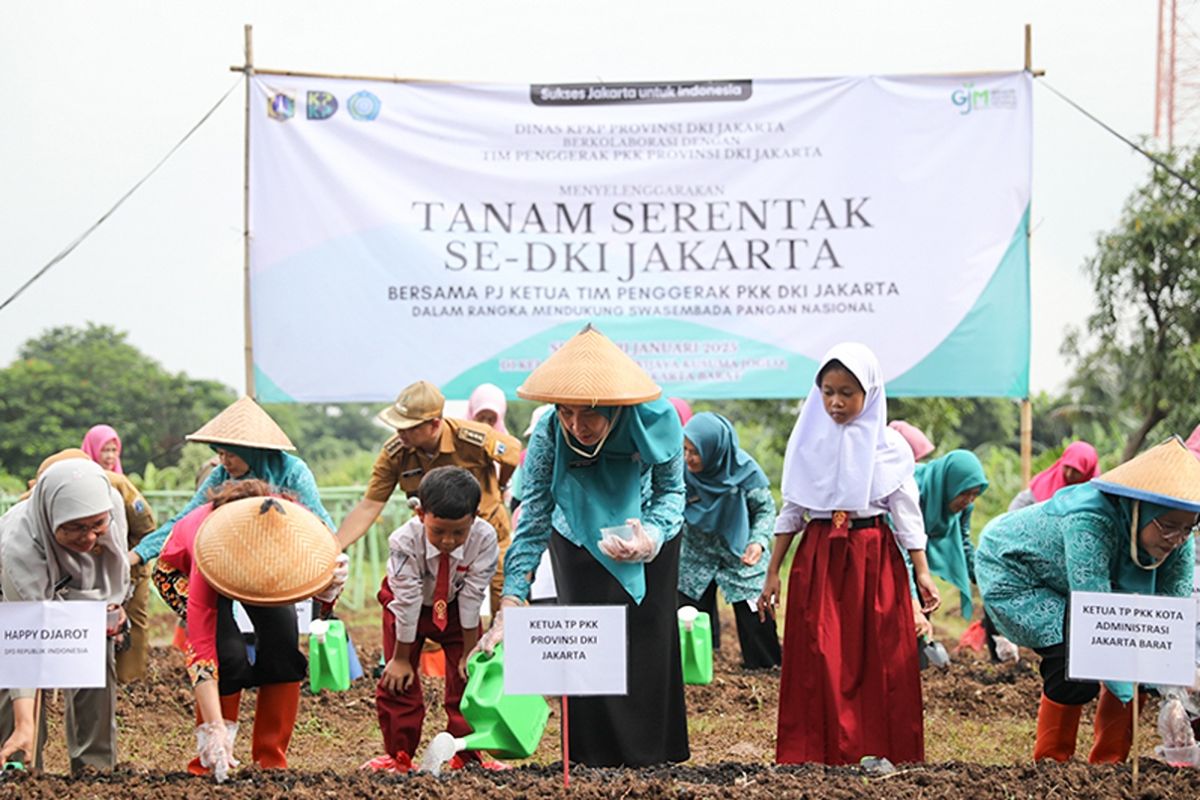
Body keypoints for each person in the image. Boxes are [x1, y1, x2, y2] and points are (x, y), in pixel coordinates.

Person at [479, 324, 690, 767]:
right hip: (576, 540)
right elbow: (533, 513)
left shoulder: (656, 422)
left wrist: (649, 535)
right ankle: (591, 760)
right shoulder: (550, 436)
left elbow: (673, 493)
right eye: (566, 412)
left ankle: (651, 758)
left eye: (590, 414)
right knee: (588, 645)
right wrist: (513, 600)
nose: (578, 425)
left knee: (644, 645)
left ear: (616, 407)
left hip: (648, 536)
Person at [761, 342, 939, 765]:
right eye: (827, 391)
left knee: (880, 654)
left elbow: (906, 516)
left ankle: (881, 747)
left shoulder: (891, 449)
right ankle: (814, 751)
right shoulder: (807, 440)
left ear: (870, 393)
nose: (836, 402)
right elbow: (793, 511)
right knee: (819, 652)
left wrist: (923, 574)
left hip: (873, 557)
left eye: (847, 392)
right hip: (819, 556)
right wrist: (772, 572)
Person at [976, 436, 1199, 763]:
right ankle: (1052, 763)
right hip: (1017, 571)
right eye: (1167, 527)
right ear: (1140, 510)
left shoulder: (1179, 538)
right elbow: (1095, 614)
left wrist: (1173, 691)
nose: (1176, 539)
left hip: (1068, 580)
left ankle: (1109, 765)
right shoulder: (1089, 520)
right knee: (1072, 661)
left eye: (1188, 529)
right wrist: (1140, 664)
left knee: (1142, 651)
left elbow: (1169, 621)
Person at [152, 484, 347, 779]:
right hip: (183, 570)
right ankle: (212, 758)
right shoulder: (209, 546)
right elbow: (202, 649)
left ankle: (270, 762)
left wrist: (330, 588)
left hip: (265, 566)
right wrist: (214, 727)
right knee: (227, 652)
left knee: (283, 642)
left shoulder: (293, 522)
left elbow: (320, 598)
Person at [335, 380, 519, 614]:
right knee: (429, 606)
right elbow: (370, 505)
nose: (400, 432)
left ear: (434, 424)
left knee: (506, 600)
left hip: (488, 532)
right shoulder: (396, 453)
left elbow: (512, 454)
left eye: (409, 427)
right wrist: (334, 547)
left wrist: (501, 485)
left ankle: (506, 647)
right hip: (435, 542)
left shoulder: (471, 438)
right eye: (397, 425)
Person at [362, 467, 501, 773]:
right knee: (398, 680)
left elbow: (473, 594)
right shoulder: (403, 541)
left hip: (455, 607)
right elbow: (407, 602)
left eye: (459, 532)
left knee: (469, 677)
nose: (448, 541)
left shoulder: (485, 538)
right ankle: (398, 755)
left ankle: (467, 754)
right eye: (438, 531)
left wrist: (468, 650)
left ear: (475, 516)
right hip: (406, 607)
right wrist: (400, 658)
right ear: (421, 513)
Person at [0, 460, 131, 772]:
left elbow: (113, 568)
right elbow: (24, 637)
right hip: (14, 603)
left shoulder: (110, 505)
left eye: (96, 525)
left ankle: (94, 767)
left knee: (94, 652)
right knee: (10, 677)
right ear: (51, 519)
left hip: (77, 594)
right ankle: (19, 763)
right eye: (73, 527)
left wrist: (113, 604)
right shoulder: (18, 542)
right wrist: (24, 722)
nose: (88, 538)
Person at [130, 396, 335, 569]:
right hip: (235, 559)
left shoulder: (292, 472)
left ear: (251, 453)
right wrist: (140, 553)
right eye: (220, 454)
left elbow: (318, 522)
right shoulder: (221, 475)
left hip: (290, 558)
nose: (225, 461)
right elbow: (186, 519)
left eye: (232, 455)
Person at [23, 450, 158, 683]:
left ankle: (129, 684)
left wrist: (130, 560)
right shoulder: (34, 501)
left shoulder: (117, 487)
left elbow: (147, 528)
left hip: (127, 565)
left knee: (130, 623)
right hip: (73, 569)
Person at [677, 412, 781, 669]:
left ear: (716, 449)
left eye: (695, 451)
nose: (688, 457)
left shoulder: (744, 472)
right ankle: (694, 670)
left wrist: (758, 542)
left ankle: (765, 669)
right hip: (696, 555)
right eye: (685, 449)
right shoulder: (680, 472)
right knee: (686, 618)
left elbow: (765, 510)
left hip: (742, 553)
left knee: (756, 615)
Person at [1008, 440, 1098, 512]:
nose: (1069, 474)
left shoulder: (1092, 494)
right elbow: (1018, 506)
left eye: (1076, 471)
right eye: (1067, 467)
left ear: (1088, 471)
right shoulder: (1046, 483)